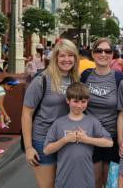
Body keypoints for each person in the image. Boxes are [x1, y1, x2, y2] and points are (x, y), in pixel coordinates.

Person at [22, 39, 79, 188]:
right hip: (43, 140)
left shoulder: (75, 79)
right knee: (47, 185)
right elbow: (26, 114)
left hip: (67, 140)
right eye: (62, 56)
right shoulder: (42, 80)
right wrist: (29, 148)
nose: (67, 59)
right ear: (55, 58)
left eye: (71, 55)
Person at [43, 82, 113, 188]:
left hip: (86, 180)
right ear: (67, 100)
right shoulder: (59, 123)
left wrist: (87, 139)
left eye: (83, 101)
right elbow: (46, 150)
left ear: (87, 101)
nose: (79, 105)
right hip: (63, 180)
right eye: (75, 101)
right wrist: (65, 140)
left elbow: (109, 143)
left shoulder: (92, 121)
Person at [81, 38, 123, 188]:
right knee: (93, 181)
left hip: (111, 137)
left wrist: (120, 139)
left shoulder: (118, 78)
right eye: (99, 50)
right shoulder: (86, 76)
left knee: (109, 182)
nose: (103, 54)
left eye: (107, 51)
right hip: (89, 137)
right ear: (93, 53)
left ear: (112, 55)